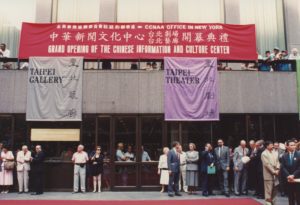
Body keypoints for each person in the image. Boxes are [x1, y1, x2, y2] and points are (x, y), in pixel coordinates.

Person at [281, 140, 300, 205]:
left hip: (297, 179)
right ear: (287, 147)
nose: (293, 146)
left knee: (298, 197)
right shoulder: (284, 156)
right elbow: (283, 167)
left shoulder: (299, 154)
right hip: (289, 179)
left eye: (294, 145)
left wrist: (293, 175)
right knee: (290, 197)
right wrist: (288, 175)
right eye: (291, 145)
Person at [261, 141, 280, 205]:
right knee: (268, 192)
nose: (272, 146)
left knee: (274, 192)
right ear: (267, 146)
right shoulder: (264, 154)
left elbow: (278, 161)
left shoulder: (275, 152)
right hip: (268, 176)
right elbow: (267, 165)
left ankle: (273, 204)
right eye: (271, 145)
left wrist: (277, 169)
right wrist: (274, 172)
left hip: (276, 175)